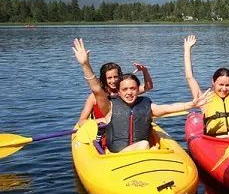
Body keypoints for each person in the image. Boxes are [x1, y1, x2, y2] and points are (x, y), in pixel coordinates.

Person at [73, 38, 211, 153]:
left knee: (148, 147)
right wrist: (85, 64)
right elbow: (96, 89)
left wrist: (192, 104)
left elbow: (168, 108)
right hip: (119, 155)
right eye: (125, 89)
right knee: (145, 145)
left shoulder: (145, 105)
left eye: (133, 88)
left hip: (140, 155)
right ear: (119, 92)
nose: (129, 92)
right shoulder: (109, 106)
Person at [76, 61, 153, 127]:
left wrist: (144, 71)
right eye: (109, 78)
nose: (113, 81)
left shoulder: (125, 92)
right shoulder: (94, 97)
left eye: (115, 77)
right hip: (103, 130)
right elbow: (81, 122)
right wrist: (101, 120)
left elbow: (148, 87)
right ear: (104, 79)